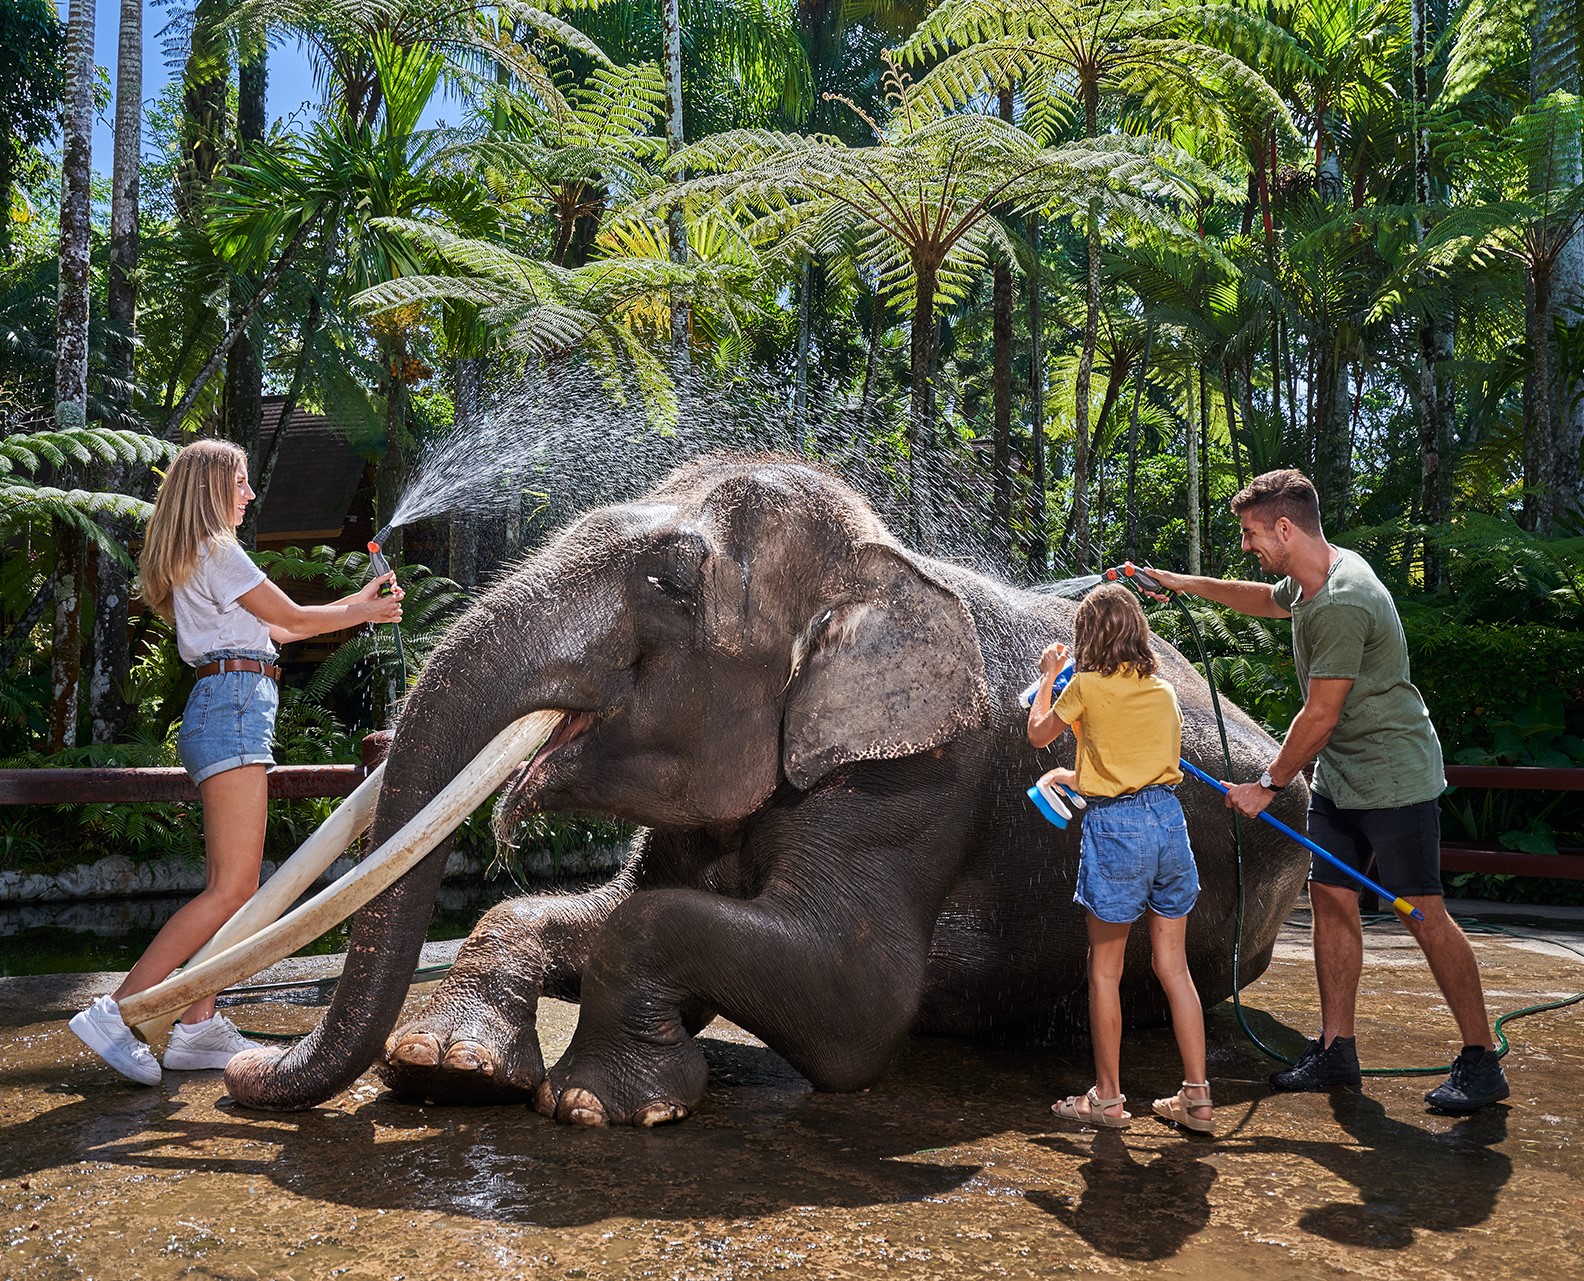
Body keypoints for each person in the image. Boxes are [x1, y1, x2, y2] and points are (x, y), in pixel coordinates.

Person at [1144, 468, 1508, 1113]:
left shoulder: (1342, 599)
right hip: (1342, 775)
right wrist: (1182, 584)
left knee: (1419, 913)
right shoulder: (1313, 578)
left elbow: (1319, 715)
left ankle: (1480, 1058)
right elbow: (1264, 599)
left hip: (1393, 777)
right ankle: (1337, 1049)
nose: (1250, 544)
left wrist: (1266, 784)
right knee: (1331, 900)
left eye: (1255, 534)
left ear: (1286, 528)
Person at [69, 438, 404, 1086]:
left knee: (235, 887)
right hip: (233, 706)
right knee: (231, 889)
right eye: (242, 481)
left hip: (227, 703)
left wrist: (357, 606)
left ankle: (197, 1024)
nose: (250, 494)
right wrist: (366, 609)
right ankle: (119, 1011)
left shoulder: (204, 554)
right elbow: (296, 619)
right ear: (213, 485)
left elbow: (275, 629)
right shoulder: (217, 549)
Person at [1027, 583, 1213, 1135]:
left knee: (1105, 972)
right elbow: (1135, 767)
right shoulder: (1162, 690)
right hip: (1168, 823)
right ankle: (1197, 1100)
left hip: (1117, 832)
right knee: (1172, 968)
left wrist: (1045, 677)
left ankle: (1108, 1101)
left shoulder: (1081, 685)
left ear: (1088, 638)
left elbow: (1039, 734)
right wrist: (1074, 774)